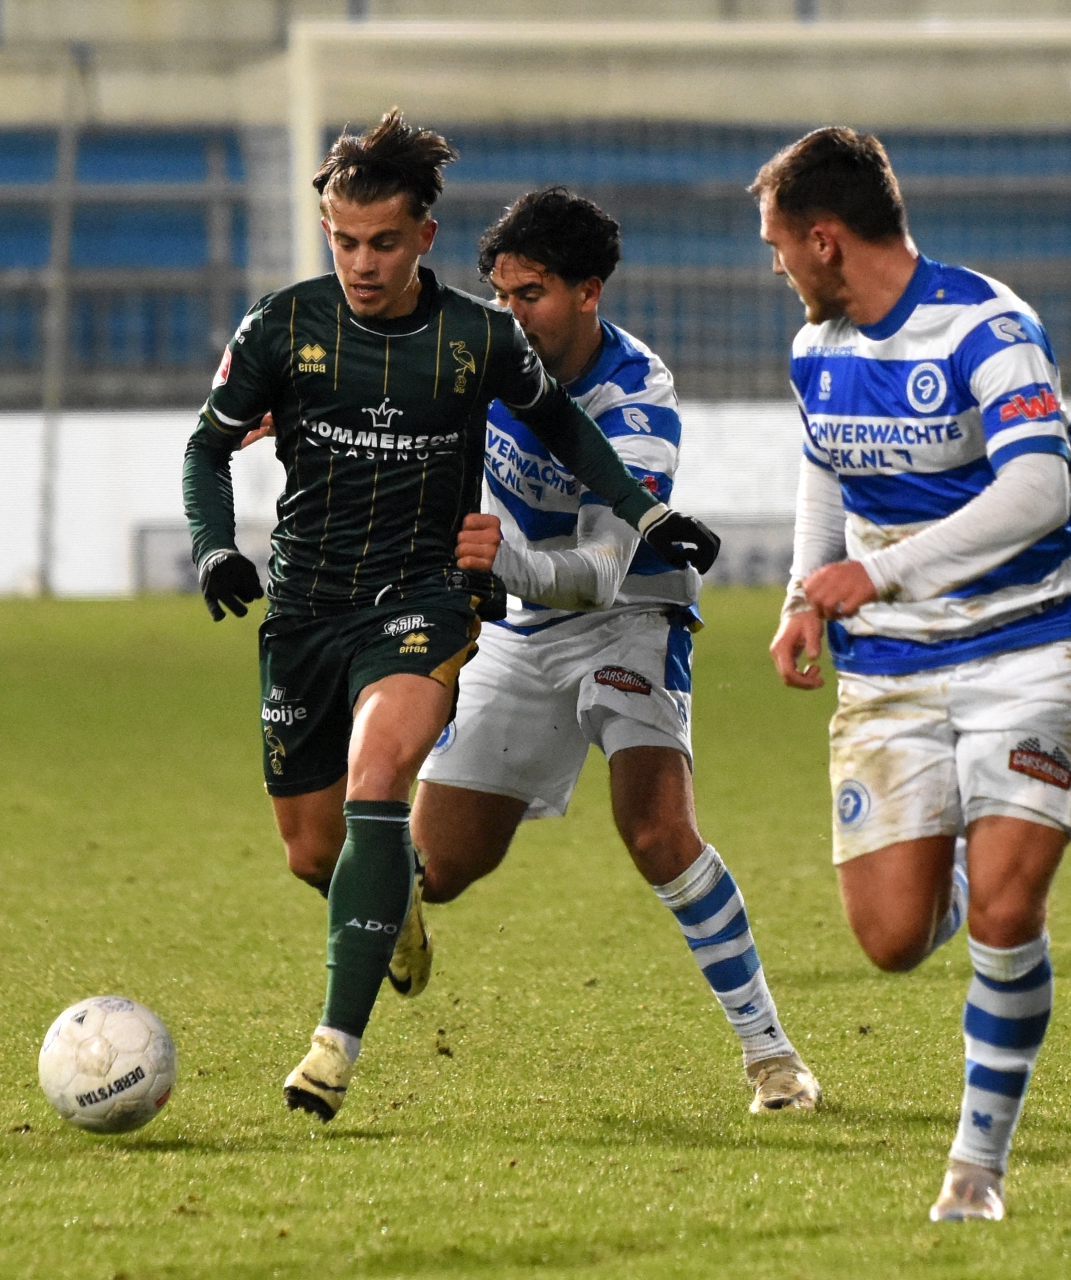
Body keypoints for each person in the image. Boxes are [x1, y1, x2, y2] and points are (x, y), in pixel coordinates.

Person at [182, 110, 720, 1123]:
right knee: (330, 850)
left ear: (422, 237)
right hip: (320, 606)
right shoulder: (286, 325)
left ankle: (332, 1050)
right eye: (344, 241)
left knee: (392, 776)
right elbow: (208, 445)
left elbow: (582, 479)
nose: (362, 262)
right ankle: (397, 920)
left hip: (473, 604)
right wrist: (217, 536)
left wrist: (647, 514)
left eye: (383, 241)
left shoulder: (506, 347)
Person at [754, 127, 1071, 1222]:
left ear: (825, 237)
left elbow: (1039, 489)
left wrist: (882, 570)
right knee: (893, 937)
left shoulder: (987, 327)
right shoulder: (817, 347)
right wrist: (806, 593)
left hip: (1027, 647)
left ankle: (976, 1166)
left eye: (778, 247)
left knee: (1006, 910)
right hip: (892, 671)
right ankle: (967, 853)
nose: (775, 268)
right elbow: (823, 471)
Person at [412, 187, 820, 1114]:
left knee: (655, 830)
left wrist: (503, 560)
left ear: (589, 291)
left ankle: (772, 1059)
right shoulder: (477, 353)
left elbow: (601, 567)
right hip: (521, 624)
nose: (512, 313)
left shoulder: (638, 402)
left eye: (534, 294)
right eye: (503, 293)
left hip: (628, 612)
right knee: (437, 871)